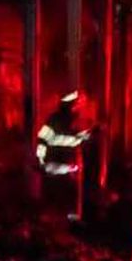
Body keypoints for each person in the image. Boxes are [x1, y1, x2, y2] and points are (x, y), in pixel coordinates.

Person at [36, 90, 93, 222]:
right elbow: (45, 140)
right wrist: (41, 161)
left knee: (70, 203)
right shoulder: (55, 120)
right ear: (71, 105)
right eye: (77, 105)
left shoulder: (73, 121)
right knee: (57, 204)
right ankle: (59, 226)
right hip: (56, 170)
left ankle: (70, 225)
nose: (79, 108)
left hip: (68, 171)